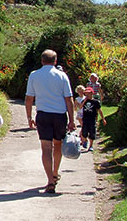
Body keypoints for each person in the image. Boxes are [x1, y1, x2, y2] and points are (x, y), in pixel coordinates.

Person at [25, 49, 76, 194]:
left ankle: (49, 181)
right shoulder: (62, 76)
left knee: (46, 148)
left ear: (42, 61)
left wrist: (29, 118)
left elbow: (29, 98)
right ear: (55, 61)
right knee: (57, 144)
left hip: (43, 115)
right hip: (59, 115)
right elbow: (69, 99)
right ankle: (55, 172)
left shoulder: (34, 75)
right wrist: (71, 120)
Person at [81, 87, 106, 151]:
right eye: (86, 94)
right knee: (84, 132)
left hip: (92, 119)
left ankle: (91, 146)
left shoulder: (95, 102)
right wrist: (84, 101)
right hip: (85, 119)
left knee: (92, 132)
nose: (87, 95)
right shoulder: (84, 101)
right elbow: (80, 107)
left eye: (88, 94)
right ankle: (85, 140)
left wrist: (103, 118)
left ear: (92, 93)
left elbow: (99, 110)